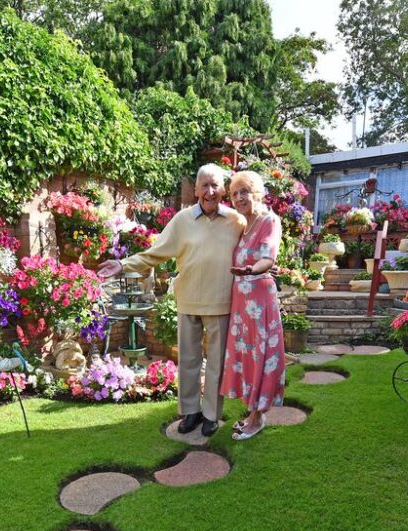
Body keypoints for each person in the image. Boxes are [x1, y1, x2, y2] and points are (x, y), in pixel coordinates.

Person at [98, 164, 244, 437]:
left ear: (224, 190)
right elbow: (156, 253)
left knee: (216, 363)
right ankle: (191, 412)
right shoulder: (182, 220)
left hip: (221, 301)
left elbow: (257, 239)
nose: (210, 191)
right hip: (188, 299)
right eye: (204, 185)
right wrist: (123, 265)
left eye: (215, 185)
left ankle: (212, 414)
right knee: (188, 359)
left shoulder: (236, 220)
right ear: (196, 190)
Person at [220, 170, 284, 441]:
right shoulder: (243, 226)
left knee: (261, 355)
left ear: (257, 192)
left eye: (244, 191)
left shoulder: (270, 220)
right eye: (234, 194)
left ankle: (257, 417)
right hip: (242, 304)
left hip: (259, 298)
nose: (238, 198)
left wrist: (250, 270)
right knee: (247, 356)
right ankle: (251, 412)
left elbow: (268, 257)